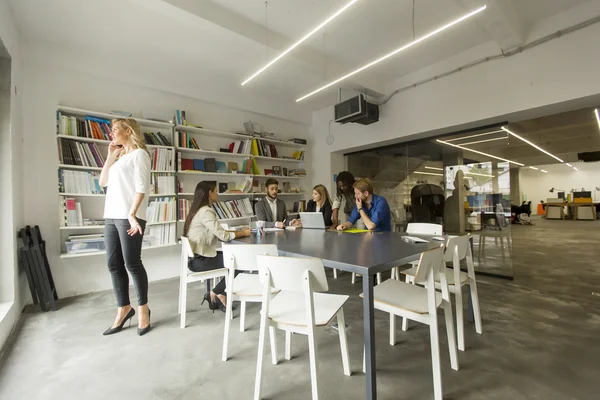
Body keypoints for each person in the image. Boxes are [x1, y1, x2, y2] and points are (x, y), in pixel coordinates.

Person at [100, 118, 152, 336]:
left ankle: (143, 310)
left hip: (129, 216)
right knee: (113, 264)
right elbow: (103, 182)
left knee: (132, 263)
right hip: (111, 216)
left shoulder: (140, 155)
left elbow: (141, 188)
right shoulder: (120, 158)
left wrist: (132, 214)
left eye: (115, 131)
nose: (112, 134)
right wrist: (111, 155)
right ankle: (124, 308)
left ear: (128, 131)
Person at [184, 181, 251, 312]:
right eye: (215, 191)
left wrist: (237, 232)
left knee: (235, 259)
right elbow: (223, 236)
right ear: (210, 193)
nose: (217, 193)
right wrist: (243, 232)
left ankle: (218, 294)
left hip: (196, 259)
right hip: (200, 261)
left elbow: (220, 233)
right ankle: (217, 293)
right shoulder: (206, 212)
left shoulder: (197, 210)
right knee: (241, 262)